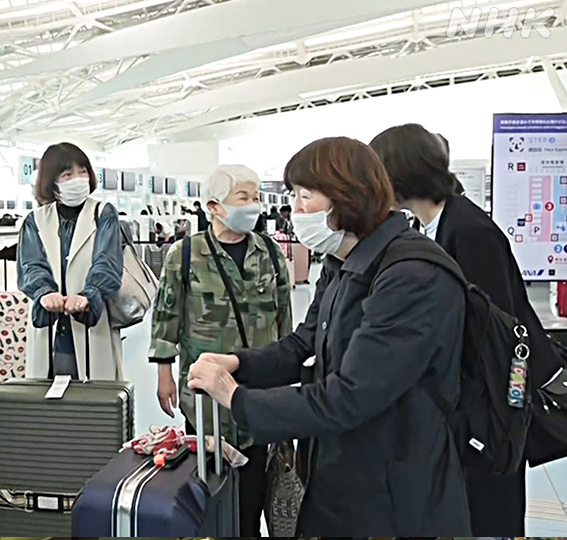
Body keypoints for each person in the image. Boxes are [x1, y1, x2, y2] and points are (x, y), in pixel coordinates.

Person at [187, 137, 470, 536]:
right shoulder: (346, 262)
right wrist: (239, 363)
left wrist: (237, 398)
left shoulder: (411, 275)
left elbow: (350, 396)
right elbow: (303, 342)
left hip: (397, 492)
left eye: (305, 196)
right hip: (344, 475)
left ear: (347, 197)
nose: (295, 209)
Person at [370, 123, 564, 536]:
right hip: (468, 401)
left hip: (490, 404)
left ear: (399, 172)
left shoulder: (470, 230)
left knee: (489, 506)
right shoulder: (435, 224)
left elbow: (496, 329)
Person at [149, 164, 292, 536]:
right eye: (243, 197)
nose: (254, 205)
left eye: (257, 197)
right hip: (206, 399)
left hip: (258, 395)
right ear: (213, 206)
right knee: (210, 489)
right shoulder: (185, 254)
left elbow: (285, 322)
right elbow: (167, 314)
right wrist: (164, 371)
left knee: (254, 491)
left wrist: (288, 381)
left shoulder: (271, 254)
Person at [17, 142, 124, 380]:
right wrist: (44, 292)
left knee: (96, 399)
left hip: (91, 322)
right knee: (48, 399)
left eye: (83, 171)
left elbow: (107, 261)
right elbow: (30, 265)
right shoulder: (35, 220)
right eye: (68, 174)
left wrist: (89, 293)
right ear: (51, 181)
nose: (79, 179)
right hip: (51, 328)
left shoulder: (103, 213)